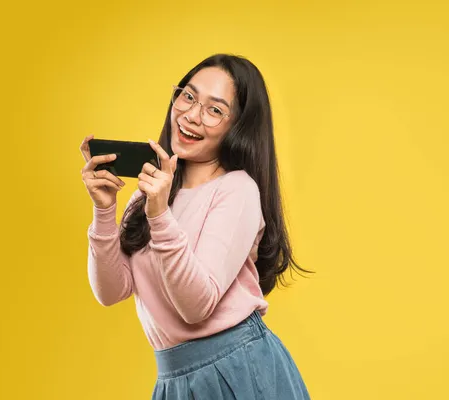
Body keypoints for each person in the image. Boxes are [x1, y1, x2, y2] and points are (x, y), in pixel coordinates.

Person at [79, 53, 311, 399]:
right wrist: (104, 211)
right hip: (174, 377)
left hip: (237, 368)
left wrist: (160, 217)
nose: (191, 116)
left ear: (238, 127)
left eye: (214, 110)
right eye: (188, 96)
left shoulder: (237, 190)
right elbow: (111, 292)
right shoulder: (149, 195)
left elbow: (196, 305)